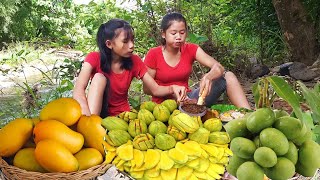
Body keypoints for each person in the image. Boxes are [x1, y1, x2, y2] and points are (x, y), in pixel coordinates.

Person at [73, 19, 186, 117]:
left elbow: (154, 89)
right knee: (99, 77)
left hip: (122, 115)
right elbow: (78, 89)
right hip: (95, 114)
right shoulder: (94, 58)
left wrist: (173, 88)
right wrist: (87, 118)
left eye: (132, 40)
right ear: (109, 44)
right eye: (125, 41)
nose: (131, 45)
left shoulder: (134, 61)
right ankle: (91, 126)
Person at [143, 12, 251, 109]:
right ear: (163, 34)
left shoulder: (191, 49)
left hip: (189, 100)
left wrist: (209, 76)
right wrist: (171, 90)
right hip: (164, 107)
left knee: (228, 76)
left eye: (182, 32)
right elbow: (147, 89)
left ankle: (248, 115)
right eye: (173, 33)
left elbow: (218, 67)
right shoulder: (154, 54)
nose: (178, 37)